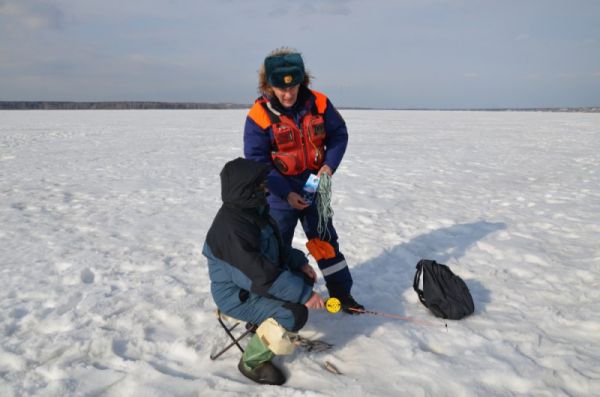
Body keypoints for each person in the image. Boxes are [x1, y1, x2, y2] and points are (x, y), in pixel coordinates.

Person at [243, 48, 364, 314]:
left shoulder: (319, 103)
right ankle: (271, 307)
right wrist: (285, 193)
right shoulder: (259, 115)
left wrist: (329, 165)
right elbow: (256, 160)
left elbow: (339, 135)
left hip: (313, 189)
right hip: (277, 197)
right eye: (280, 88)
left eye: (293, 87)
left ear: (302, 81)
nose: (287, 94)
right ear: (268, 85)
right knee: (274, 252)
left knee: (326, 245)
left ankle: (343, 295)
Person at [203, 157, 325, 385]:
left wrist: (299, 262)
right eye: (260, 184)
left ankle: (266, 324)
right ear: (245, 189)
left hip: (256, 282)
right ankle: (252, 363)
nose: (265, 187)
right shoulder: (231, 230)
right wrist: (304, 296)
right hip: (237, 296)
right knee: (295, 313)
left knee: (302, 281)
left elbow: (277, 248)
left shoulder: (254, 211)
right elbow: (260, 275)